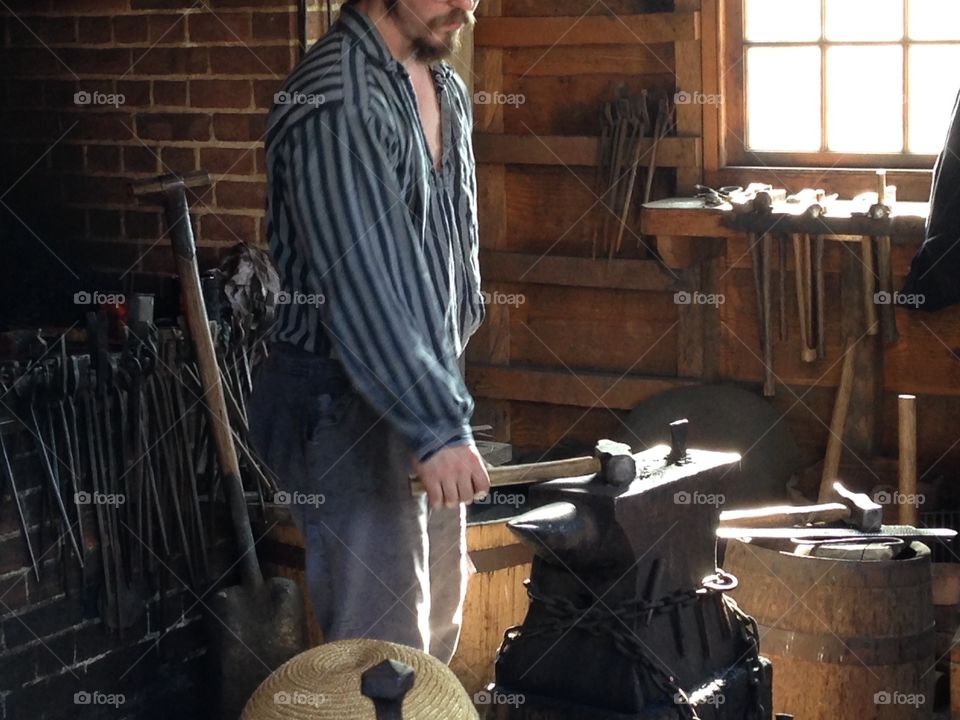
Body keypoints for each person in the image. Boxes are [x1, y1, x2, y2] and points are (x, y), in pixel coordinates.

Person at [248, 0, 490, 665]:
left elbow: (448, 264)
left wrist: (440, 404)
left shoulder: (445, 86)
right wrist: (434, 426)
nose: (465, 5)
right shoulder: (335, 101)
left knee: (434, 641)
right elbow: (363, 287)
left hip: (421, 394)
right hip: (340, 403)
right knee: (382, 660)